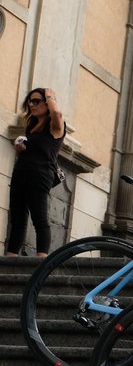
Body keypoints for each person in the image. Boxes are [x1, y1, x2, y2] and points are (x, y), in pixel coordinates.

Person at [5, 88, 66, 257]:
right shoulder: (32, 125)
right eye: (30, 101)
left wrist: (49, 94)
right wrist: (20, 149)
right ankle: (10, 259)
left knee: (39, 219)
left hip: (40, 175)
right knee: (17, 218)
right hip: (21, 173)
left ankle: (41, 262)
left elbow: (58, 115)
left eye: (37, 101)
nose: (32, 105)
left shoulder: (55, 126)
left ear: (47, 103)